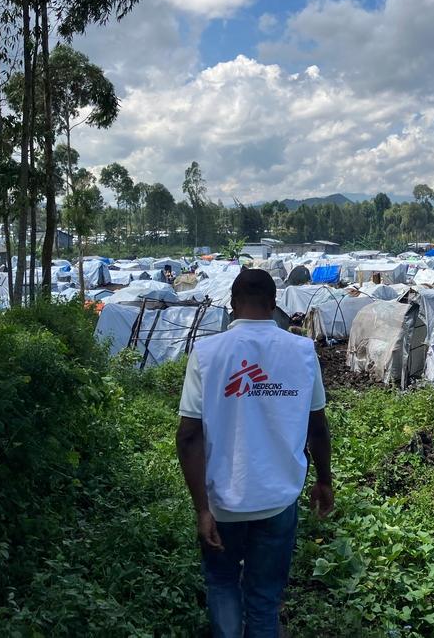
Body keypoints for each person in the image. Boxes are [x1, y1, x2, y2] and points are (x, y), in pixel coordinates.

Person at [176, 267, 333, 638]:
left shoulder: (207, 353)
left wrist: (202, 509)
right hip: (278, 501)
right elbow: (318, 425)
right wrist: (324, 480)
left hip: (222, 503)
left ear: (232, 304)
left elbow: (188, 437)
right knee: (264, 600)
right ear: (274, 303)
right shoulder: (302, 351)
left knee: (223, 584)